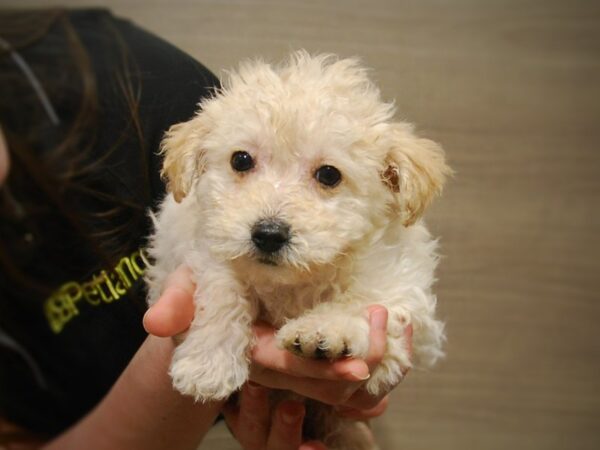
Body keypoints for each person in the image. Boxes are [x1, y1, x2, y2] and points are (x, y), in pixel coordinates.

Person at [0, 8, 409, 449]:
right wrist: (199, 339)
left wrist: (333, 405)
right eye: (242, 162)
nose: (272, 215)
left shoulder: (121, 76)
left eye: (327, 176)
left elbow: (388, 325)